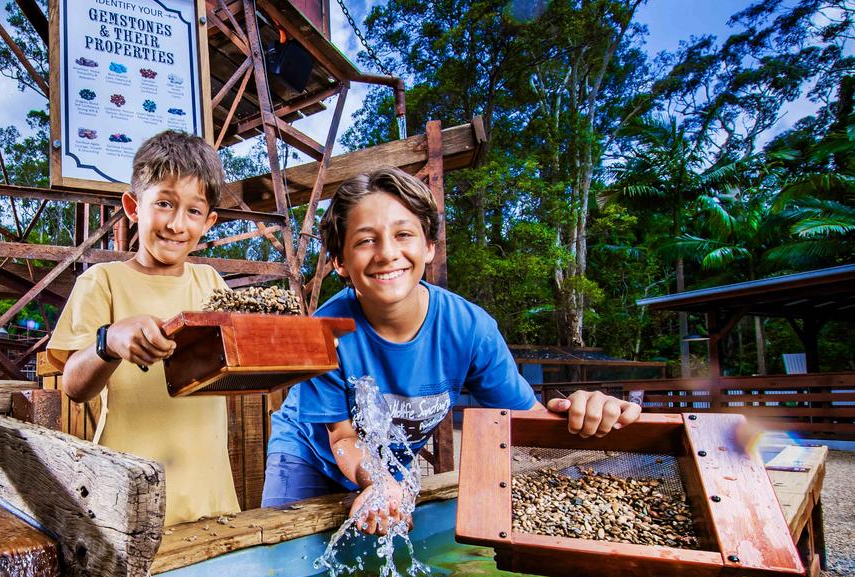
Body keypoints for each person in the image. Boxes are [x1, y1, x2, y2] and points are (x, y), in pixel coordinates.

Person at [263, 167, 642, 533]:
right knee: (280, 564)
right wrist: (377, 480)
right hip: (307, 452)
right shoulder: (324, 331)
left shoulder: (470, 330)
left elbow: (527, 422)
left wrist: (585, 411)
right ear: (340, 262)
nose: (387, 253)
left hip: (384, 461)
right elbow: (343, 438)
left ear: (429, 246)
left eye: (404, 234)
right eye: (365, 240)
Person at [46, 130, 239, 526]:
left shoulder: (212, 285)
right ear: (134, 207)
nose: (176, 224)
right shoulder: (103, 281)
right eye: (164, 203)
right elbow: (74, 386)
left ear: (209, 221)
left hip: (210, 497)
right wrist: (109, 342)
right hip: (128, 501)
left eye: (193, 211)